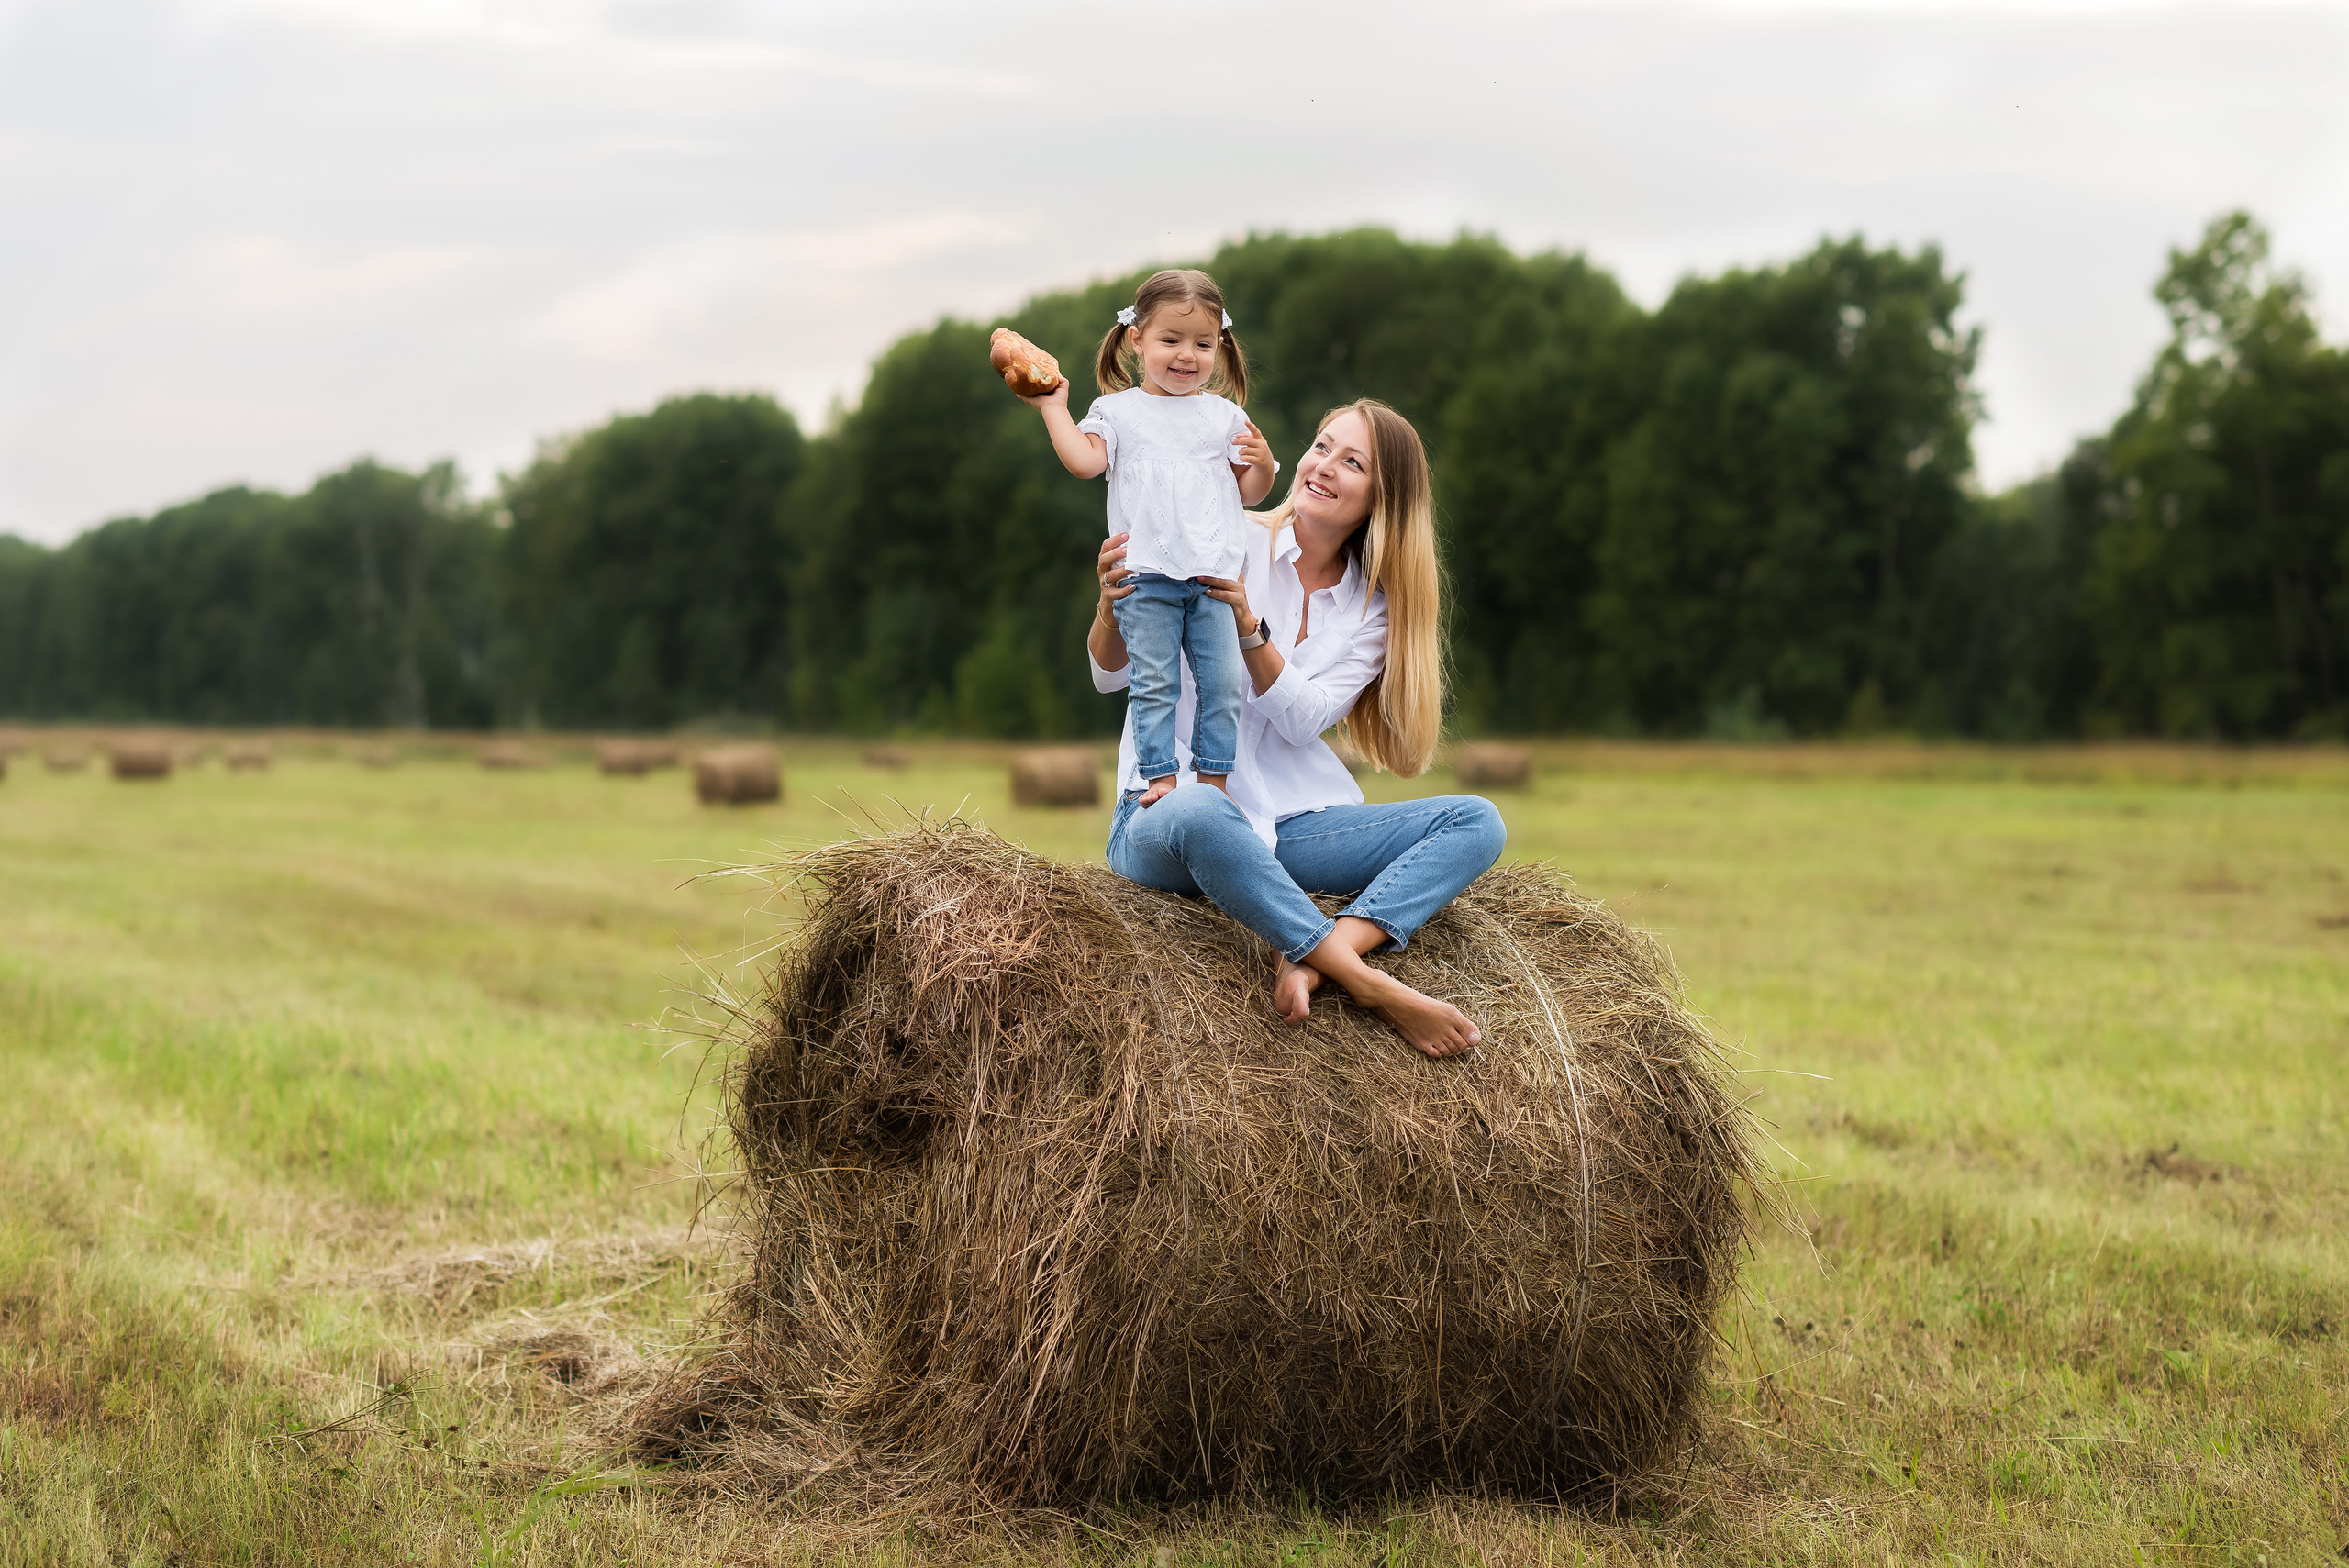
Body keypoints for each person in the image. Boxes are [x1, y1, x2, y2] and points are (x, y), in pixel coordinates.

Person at [1086, 399, 1505, 1059]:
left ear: (1381, 499)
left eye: (1352, 461)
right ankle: (1364, 982)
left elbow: (1306, 715)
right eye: (1321, 445)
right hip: (1162, 816)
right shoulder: (1221, 539)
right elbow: (1112, 676)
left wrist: (1250, 628)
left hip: (1286, 829)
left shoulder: (1374, 610)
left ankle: (1323, 954)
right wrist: (1112, 608)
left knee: (1478, 821)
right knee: (1201, 804)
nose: (1323, 465)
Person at [1021, 270, 1278, 809]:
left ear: (1219, 347)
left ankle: (1213, 784)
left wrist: (1265, 468)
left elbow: (1249, 494)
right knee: (1155, 683)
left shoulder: (1224, 415)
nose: (1187, 355)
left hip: (1213, 578)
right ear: (1136, 340)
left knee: (1223, 685)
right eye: (1171, 340)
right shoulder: (1118, 412)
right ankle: (1159, 777)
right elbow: (1085, 462)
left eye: (1203, 344)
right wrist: (1054, 409)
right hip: (1147, 575)